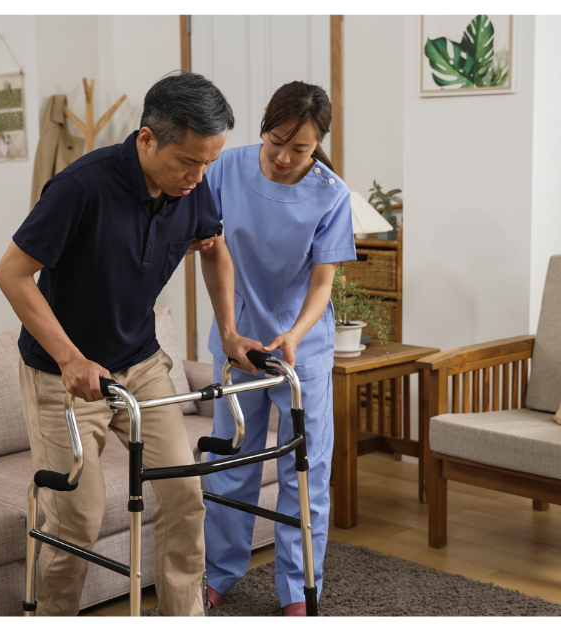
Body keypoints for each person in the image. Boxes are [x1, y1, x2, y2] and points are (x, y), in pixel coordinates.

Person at [0, 72, 260, 616]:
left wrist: (229, 331)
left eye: (209, 162)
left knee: (186, 498)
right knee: (78, 517)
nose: (199, 175)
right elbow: (12, 273)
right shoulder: (81, 188)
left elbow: (212, 247)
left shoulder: (192, 183)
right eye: (189, 160)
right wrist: (70, 357)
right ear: (146, 139)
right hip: (62, 377)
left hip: (140, 364)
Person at [201, 81, 356, 616]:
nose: (287, 157)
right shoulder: (224, 169)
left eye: (302, 149)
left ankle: (298, 590)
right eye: (277, 142)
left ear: (319, 145)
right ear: (263, 126)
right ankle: (218, 572)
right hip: (239, 340)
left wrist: (294, 333)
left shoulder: (331, 193)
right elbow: (209, 250)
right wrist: (226, 330)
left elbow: (322, 283)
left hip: (301, 347)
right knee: (232, 461)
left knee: (304, 470)